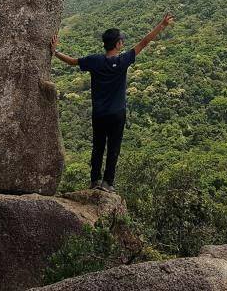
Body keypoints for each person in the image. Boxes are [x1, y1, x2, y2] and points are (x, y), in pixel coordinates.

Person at [51, 13, 175, 193]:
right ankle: (108, 183)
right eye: (121, 41)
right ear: (117, 44)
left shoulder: (94, 60)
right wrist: (162, 25)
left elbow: (72, 62)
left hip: (99, 113)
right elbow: (144, 42)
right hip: (117, 113)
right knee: (113, 148)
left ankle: (94, 181)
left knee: (98, 147)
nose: (123, 43)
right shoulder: (123, 60)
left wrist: (54, 52)